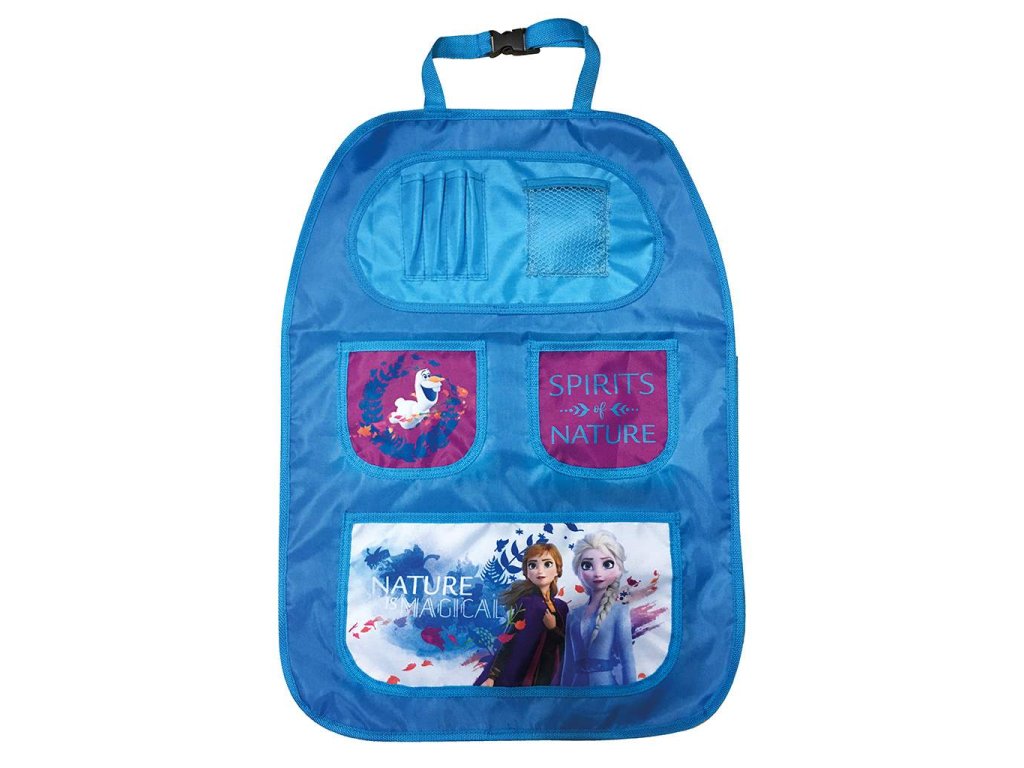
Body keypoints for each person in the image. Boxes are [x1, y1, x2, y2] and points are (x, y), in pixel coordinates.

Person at [474, 543, 568, 686]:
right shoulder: (527, 603)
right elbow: (509, 639)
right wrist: (493, 675)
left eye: (547, 564)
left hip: (553, 674)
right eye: (532, 565)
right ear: (527, 572)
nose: (540, 570)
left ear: (557, 570)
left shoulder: (561, 607)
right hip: (524, 674)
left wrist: (553, 629)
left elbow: (568, 645)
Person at [561, 531, 637, 686]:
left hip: (607, 689)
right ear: (578, 571)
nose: (597, 573)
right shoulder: (573, 615)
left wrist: (632, 696)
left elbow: (627, 660)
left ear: (619, 568)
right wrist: (562, 696)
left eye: (607, 564)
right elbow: (568, 664)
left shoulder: (619, 612)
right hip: (576, 691)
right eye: (587, 565)